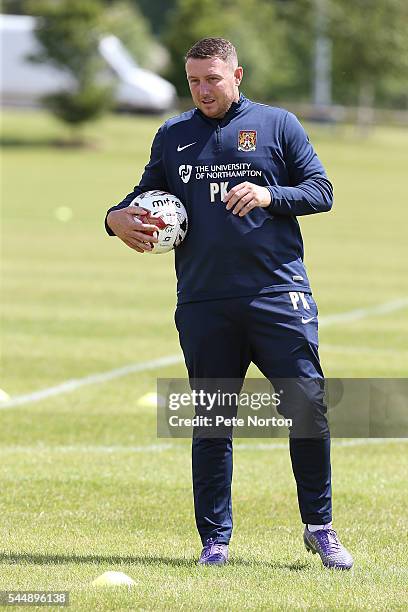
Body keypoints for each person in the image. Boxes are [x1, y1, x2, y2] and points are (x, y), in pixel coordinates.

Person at [105, 37, 353, 570]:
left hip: (277, 295)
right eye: (193, 81)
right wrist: (114, 218)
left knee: (306, 408)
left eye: (211, 79)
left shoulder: (278, 125)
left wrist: (270, 195)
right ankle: (214, 542)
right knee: (212, 420)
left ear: (237, 75)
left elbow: (322, 190)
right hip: (204, 302)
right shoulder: (173, 135)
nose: (202, 90)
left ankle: (320, 527)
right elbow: (142, 195)